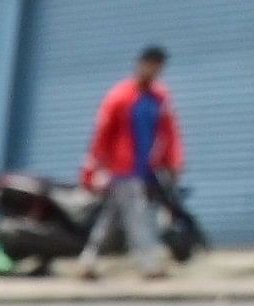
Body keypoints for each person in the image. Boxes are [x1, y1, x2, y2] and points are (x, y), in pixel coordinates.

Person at [78, 45, 183, 280]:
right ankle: (149, 264)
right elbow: (102, 134)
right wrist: (91, 166)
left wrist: (173, 161)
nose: (154, 70)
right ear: (140, 64)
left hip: (146, 169)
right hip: (123, 169)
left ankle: (88, 261)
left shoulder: (159, 98)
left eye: (158, 66)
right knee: (138, 215)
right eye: (150, 64)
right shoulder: (120, 96)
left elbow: (169, 132)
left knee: (109, 218)